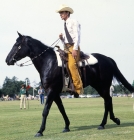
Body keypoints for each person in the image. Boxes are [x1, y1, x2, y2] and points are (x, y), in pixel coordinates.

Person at [56, 4, 83, 96]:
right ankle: (66, 85)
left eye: (62, 13)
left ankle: (78, 88)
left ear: (67, 13)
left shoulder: (73, 22)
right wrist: (61, 38)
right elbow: (66, 40)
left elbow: (77, 36)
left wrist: (75, 49)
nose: (60, 14)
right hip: (66, 47)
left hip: (73, 47)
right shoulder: (64, 25)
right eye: (60, 13)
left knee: (71, 65)